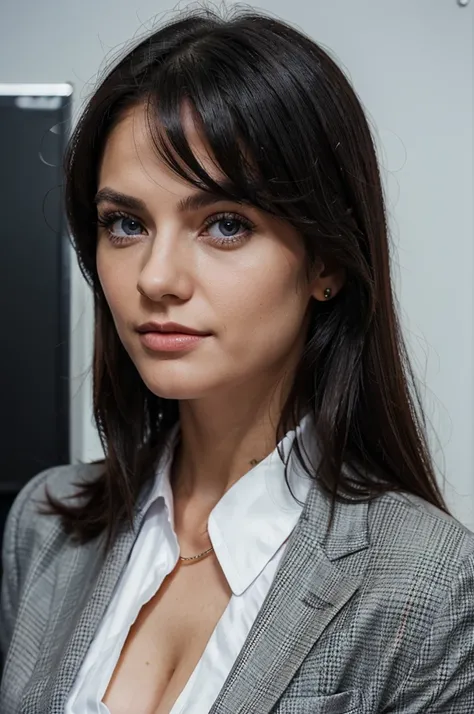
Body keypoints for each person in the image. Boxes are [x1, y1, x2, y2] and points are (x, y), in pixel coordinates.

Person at [1, 6, 473, 714]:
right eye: (125, 224)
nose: (156, 278)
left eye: (225, 225)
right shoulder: (43, 526)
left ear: (326, 262)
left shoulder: (430, 587)